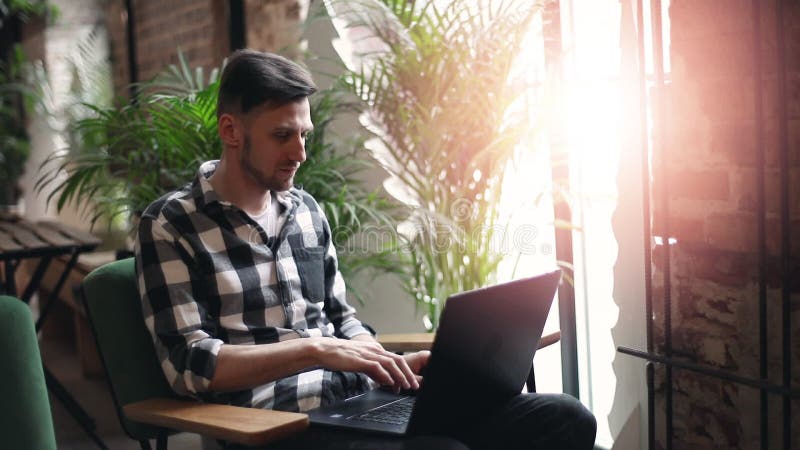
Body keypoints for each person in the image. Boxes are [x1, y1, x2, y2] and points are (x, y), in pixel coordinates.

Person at [135, 49, 596, 450]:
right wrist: (315, 350)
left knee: (564, 418)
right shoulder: (171, 223)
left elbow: (344, 319)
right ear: (232, 131)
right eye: (282, 136)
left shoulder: (305, 211)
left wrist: (383, 362)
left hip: (361, 400)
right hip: (276, 425)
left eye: (304, 135)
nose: (299, 152)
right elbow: (190, 365)